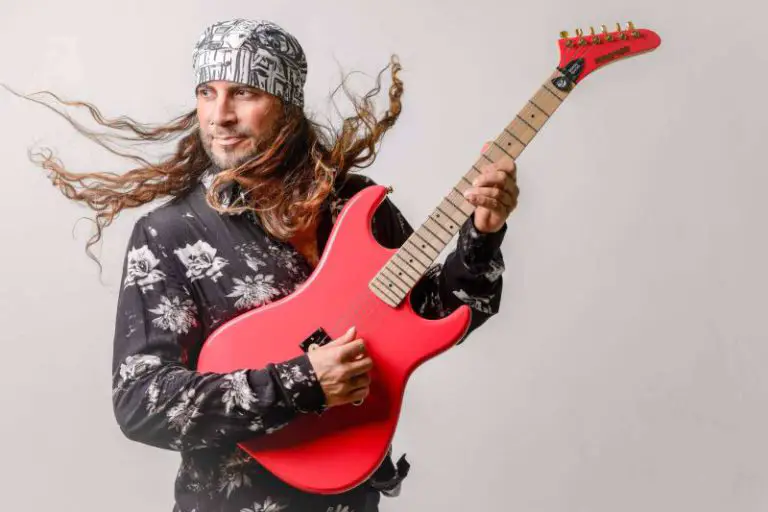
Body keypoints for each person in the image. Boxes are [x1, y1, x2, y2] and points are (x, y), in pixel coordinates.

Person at [19, 17, 519, 512]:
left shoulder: (356, 205)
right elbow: (140, 402)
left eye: (243, 93)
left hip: (353, 497)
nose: (220, 115)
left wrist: (483, 232)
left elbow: (435, 317)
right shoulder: (170, 234)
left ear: (287, 107)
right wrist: (303, 382)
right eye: (207, 92)